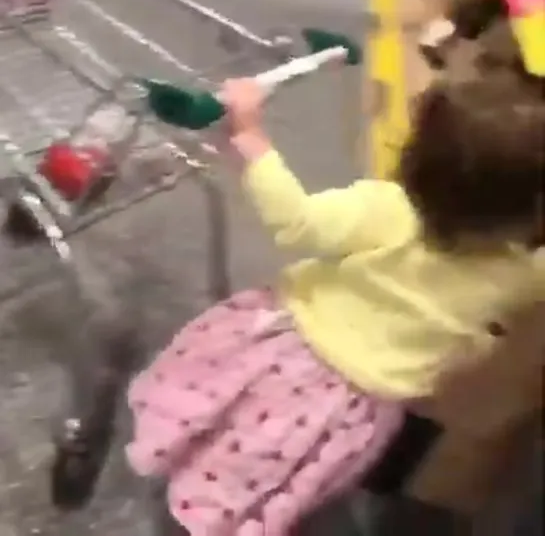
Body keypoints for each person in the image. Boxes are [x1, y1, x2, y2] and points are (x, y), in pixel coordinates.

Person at [126, 68, 545, 536]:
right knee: (278, 465)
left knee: (223, 421)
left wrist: (250, 134)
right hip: (361, 408)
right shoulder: (523, 275)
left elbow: (297, 221)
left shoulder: (388, 210)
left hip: (289, 359)